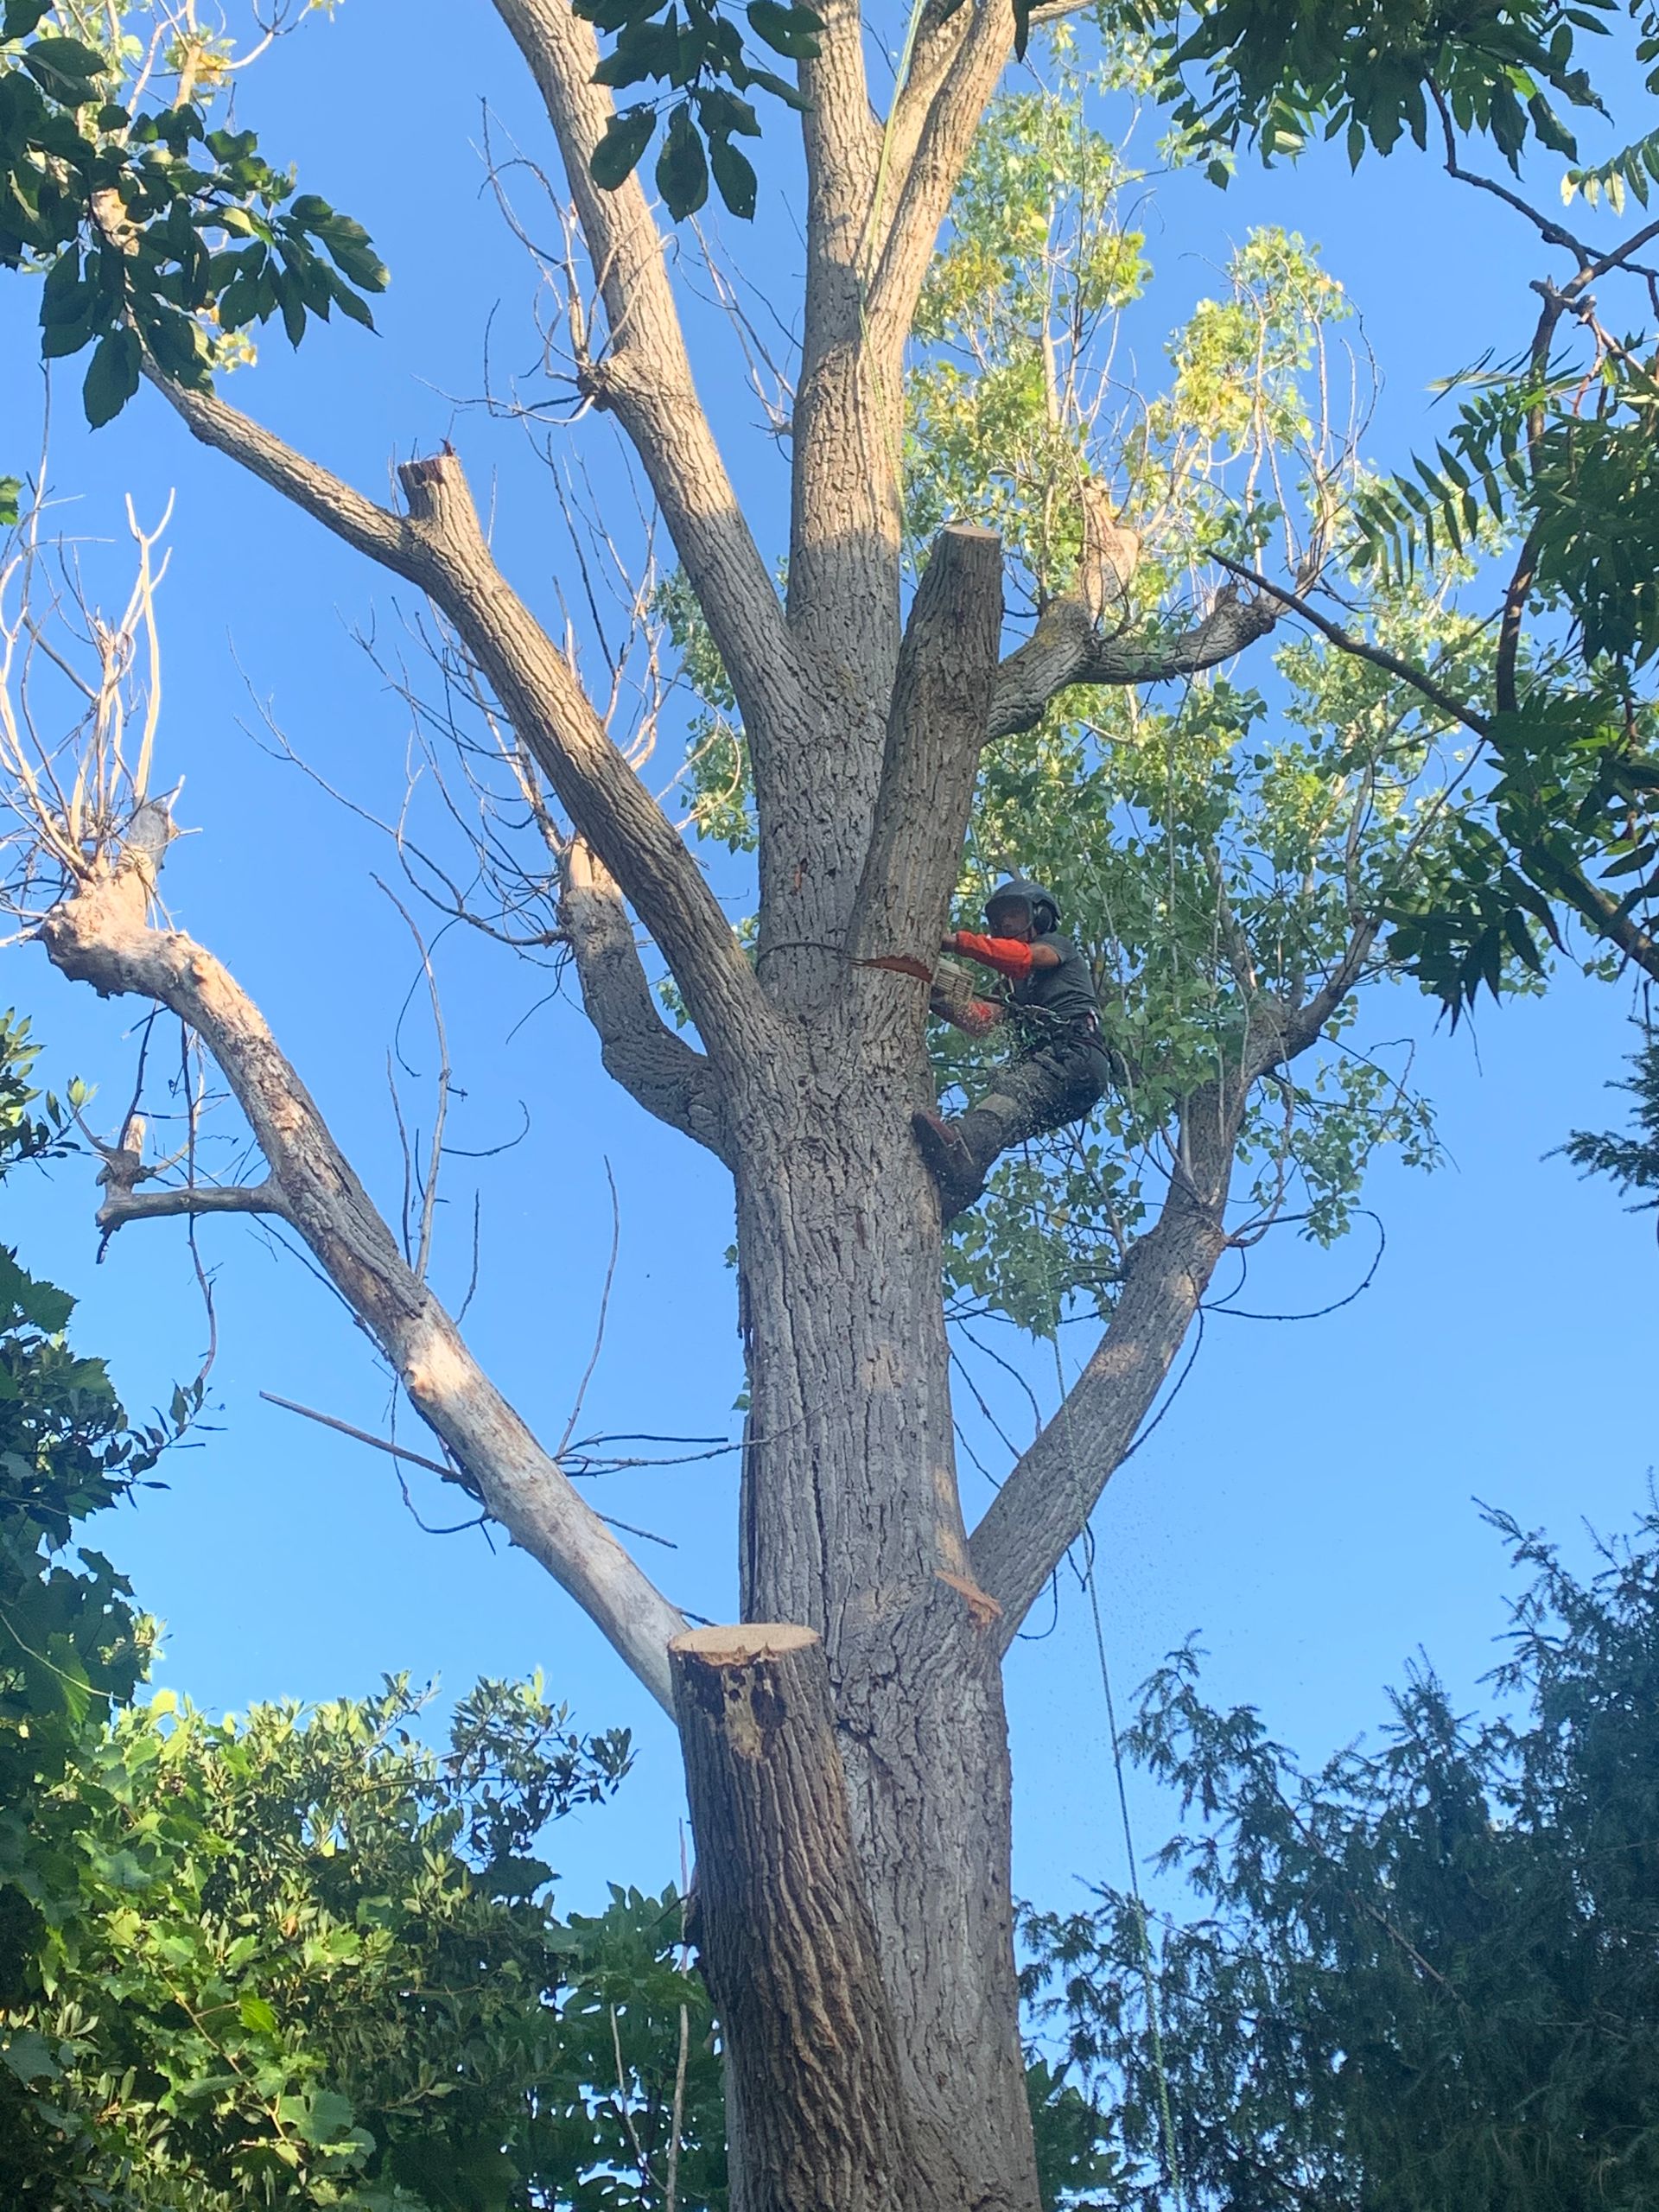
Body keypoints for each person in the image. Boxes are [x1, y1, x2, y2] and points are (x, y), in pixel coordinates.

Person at [913, 876, 1111, 1221]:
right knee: (1004, 1121)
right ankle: (959, 1183)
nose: (1004, 924)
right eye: (998, 920)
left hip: (1076, 1055)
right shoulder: (1012, 986)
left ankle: (958, 1147)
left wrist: (955, 942)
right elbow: (983, 1020)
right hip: (1065, 1077)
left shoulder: (1056, 947)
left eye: (1014, 915)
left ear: (1040, 916)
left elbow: (1020, 958)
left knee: (1012, 1092)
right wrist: (935, 994)